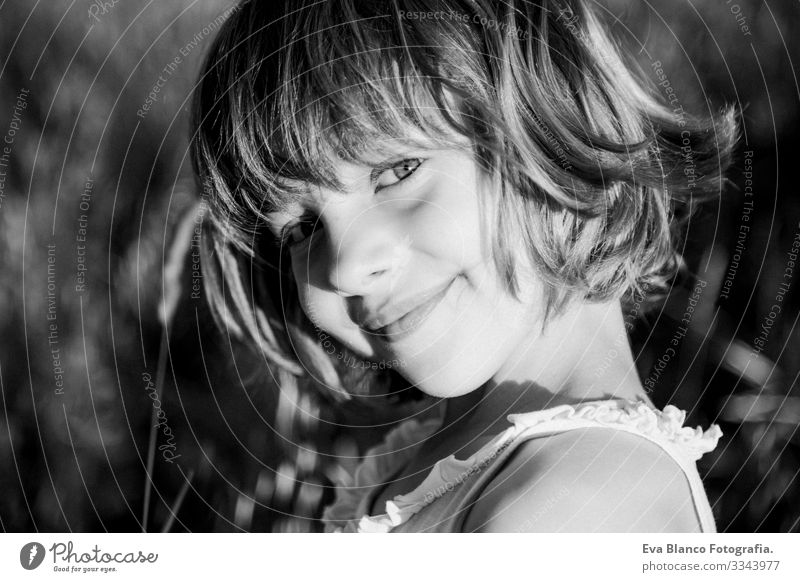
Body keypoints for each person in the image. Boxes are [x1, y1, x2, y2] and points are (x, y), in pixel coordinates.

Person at [189, 0, 737, 532]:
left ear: (550, 120)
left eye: (398, 170)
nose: (346, 268)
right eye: (302, 230)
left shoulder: (579, 508)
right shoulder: (447, 465)